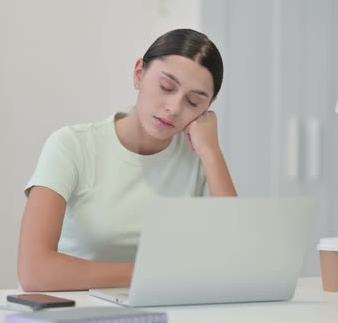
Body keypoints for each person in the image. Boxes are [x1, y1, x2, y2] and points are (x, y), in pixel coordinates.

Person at [17, 28, 237, 291]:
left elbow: (235, 260)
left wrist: (212, 154)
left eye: (193, 102)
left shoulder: (199, 157)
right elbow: (34, 271)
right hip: (73, 310)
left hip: (164, 310)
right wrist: (157, 274)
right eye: (166, 87)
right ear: (139, 74)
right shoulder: (72, 146)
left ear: (208, 108)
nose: (174, 107)